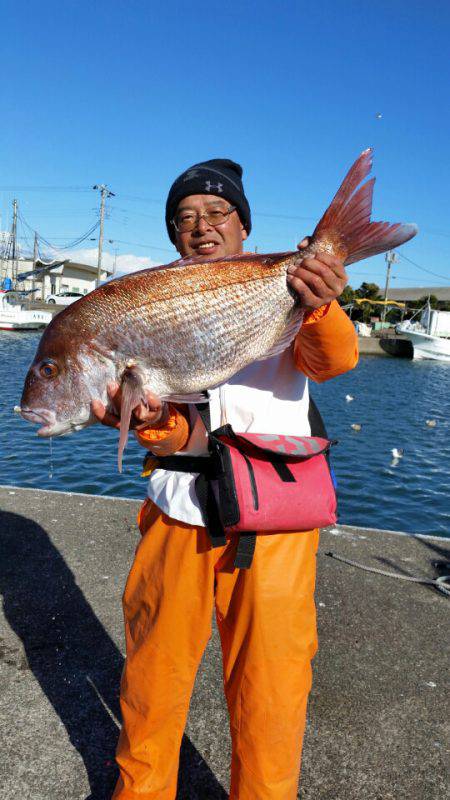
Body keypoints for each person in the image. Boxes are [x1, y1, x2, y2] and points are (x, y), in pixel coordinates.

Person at [92, 159, 358, 800]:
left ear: (244, 226)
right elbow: (173, 427)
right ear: (172, 236)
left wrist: (320, 307)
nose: (201, 227)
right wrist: (145, 417)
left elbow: (334, 362)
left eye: (216, 214)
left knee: (271, 694)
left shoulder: (284, 289)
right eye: (184, 219)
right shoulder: (149, 302)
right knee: (151, 688)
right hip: (176, 513)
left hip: (273, 525)